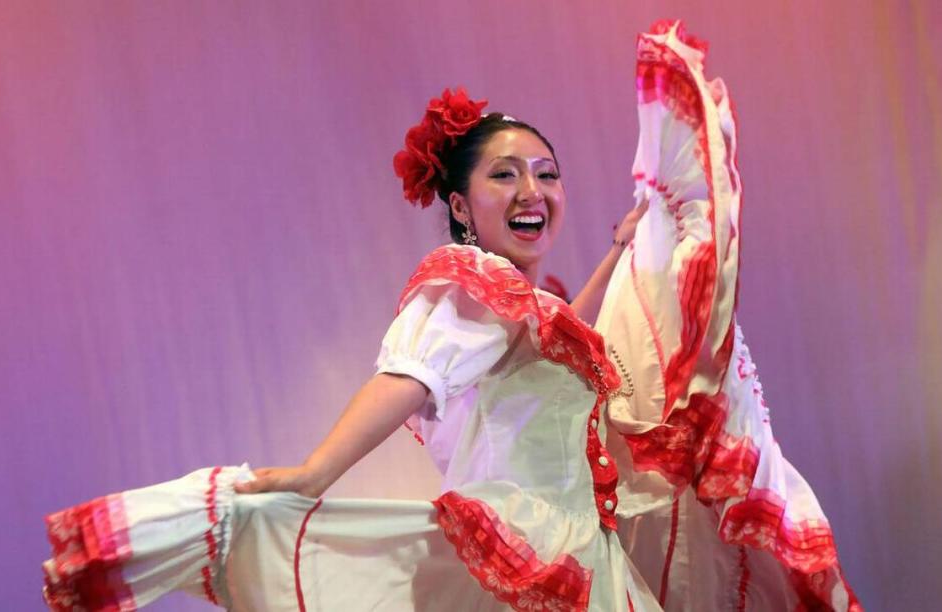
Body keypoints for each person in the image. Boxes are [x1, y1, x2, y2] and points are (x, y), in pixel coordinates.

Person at [42, 21, 860, 611]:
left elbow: (546, 348)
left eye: (546, 172)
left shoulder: (517, 304)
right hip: (530, 554)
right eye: (505, 176)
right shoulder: (466, 281)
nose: (533, 192)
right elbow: (410, 376)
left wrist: (616, 257)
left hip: (578, 558)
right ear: (463, 205)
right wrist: (312, 475)